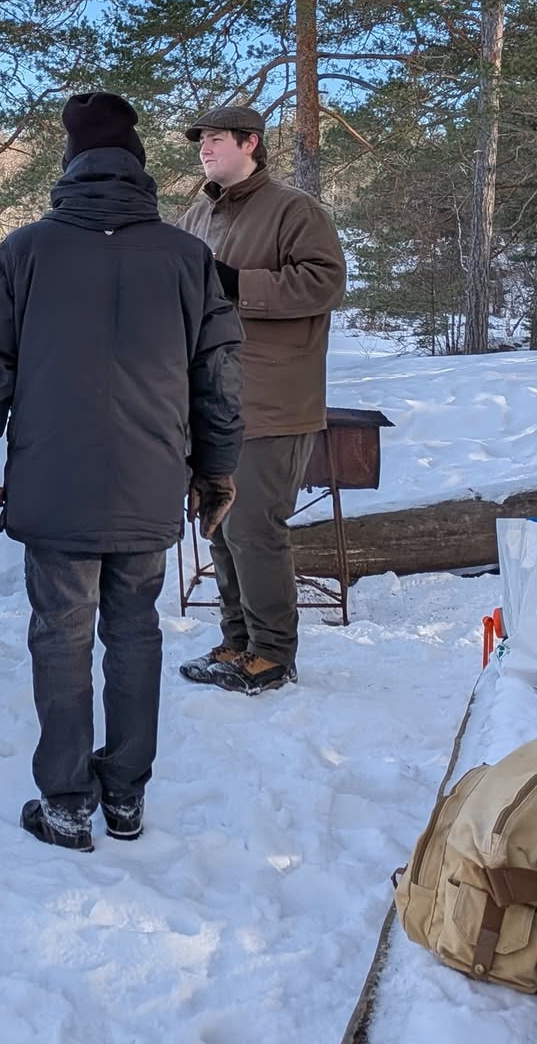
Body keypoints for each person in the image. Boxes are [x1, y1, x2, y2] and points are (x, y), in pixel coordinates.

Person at [0, 93, 242, 852]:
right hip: (150, 481)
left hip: (55, 486)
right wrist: (217, 468)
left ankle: (68, 802)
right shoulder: (187, 257)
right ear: (137, 167)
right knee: (135, 631)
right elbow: (220, 378)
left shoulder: (27, 251)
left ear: (70, 163)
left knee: (61, 635)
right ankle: (125, 799)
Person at [173, 105, 347, 696]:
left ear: (250, 143)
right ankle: (236, 642)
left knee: (253, 528)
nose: (204, 148)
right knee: (218, 524)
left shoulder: (294, 209)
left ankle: (272, 653)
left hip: (273, 399)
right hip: (209, 397)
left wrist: (236, 285)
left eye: (215, 139)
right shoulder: (197, 213)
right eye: (200, 140)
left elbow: (325, 283)